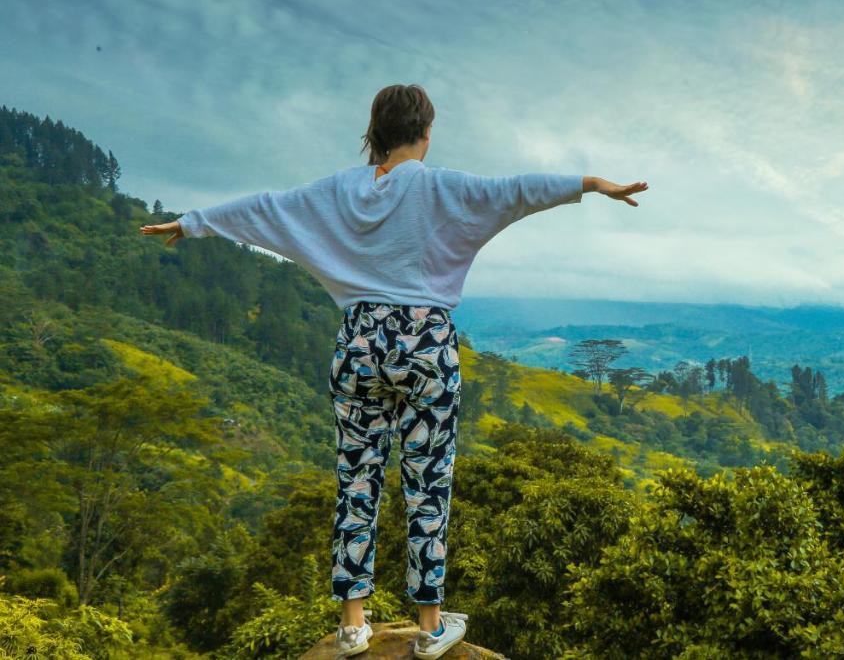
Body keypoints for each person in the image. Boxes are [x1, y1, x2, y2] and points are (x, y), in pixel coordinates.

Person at [140, 83, 647, 659]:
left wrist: (191, 223)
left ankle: (353, 625)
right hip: (426, 343)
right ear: (426, 132)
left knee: (357, 476)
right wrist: (592, 184)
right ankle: (431, 627)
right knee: (428, 481)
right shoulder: (440, 186)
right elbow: (517, 191)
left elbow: (266, 207)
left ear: (375, 133)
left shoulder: (339, 190)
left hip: (358, 341)